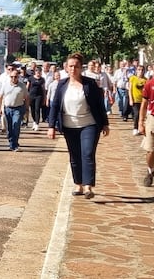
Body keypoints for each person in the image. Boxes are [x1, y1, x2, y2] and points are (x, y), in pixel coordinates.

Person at [47, 53, 110, 199]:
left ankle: (88, 186)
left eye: (76, 66)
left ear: (81, 68)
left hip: (89, 124)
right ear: (66, 67)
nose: (73, 69)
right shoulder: (61, 84)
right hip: (69, 126)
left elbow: (99, 105)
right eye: (70, 66)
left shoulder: (90, 84)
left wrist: (105, 123)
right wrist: (51, 126)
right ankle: (78, 184)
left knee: (87, 153)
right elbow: (55, 106)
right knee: (74, 156)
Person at [0, 67, 29, 152]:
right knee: (9, 128)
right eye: (12, 77)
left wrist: (27, 108)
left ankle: (15, 145)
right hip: (7, 108)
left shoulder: (22, 86)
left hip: (18, 109)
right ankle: (11, 143)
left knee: (16, 126)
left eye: (15, 76)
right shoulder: (5, 85)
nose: (13, 78)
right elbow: (0, 97)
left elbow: (26, 98)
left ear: (18, 77)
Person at [128, 65, 147, 136]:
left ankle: (140, 127)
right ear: (136, 70)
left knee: (142, 115)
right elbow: (130, 89)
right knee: (136, 114)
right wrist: (131, 99)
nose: (140, 71)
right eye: (139, 70)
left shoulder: (146, 80)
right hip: (135, 99)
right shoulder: (132, 78)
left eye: (142, 70)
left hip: (143, 100)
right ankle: (135, 128)